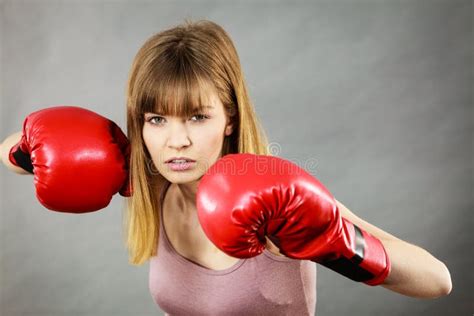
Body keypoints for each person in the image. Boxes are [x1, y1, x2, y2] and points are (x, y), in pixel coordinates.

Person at [0, 19, 452, 315]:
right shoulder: (151, 181)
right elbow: (11, 153)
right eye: (156, 119)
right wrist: (36, 149)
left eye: (197, 116)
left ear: (229, 117)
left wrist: (336, 242)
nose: (176, 140)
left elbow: (438, 280)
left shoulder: (276, 200)